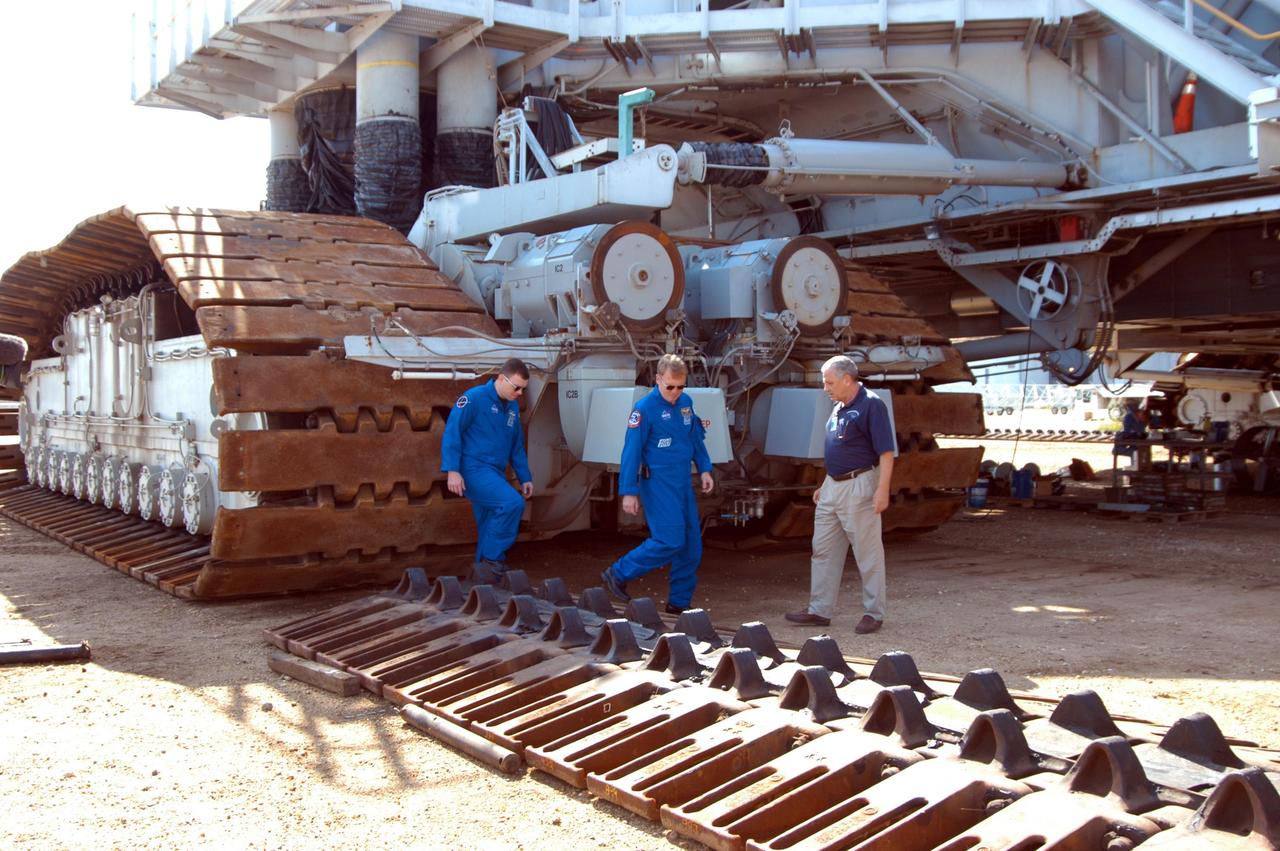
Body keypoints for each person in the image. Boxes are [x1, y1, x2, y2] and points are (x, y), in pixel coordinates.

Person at [786, 355, 895, 634]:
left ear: (848, 379)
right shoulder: (839, 406)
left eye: (829, 382)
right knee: (822, 550)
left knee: (867, 553)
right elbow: (839, 448)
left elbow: (885, 452)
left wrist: (882, 490)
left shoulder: (872, 405)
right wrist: (826, 483)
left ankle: (874, 613)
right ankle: (819, 610)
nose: (826, 388)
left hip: (859, 485)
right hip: (833, 487)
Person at [601, 354, 715, 615]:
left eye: (680, 387)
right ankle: (618, 573)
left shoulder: (686, 403)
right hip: (658, 483)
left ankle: (679, 603)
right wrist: (628, 491)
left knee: (691, 546)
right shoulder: (644, 409)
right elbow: (631, 452)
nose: (675, 392)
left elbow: (696, 439)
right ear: (658, 379)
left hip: (682, 481)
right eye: (670, 386)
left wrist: (705, 468)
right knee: (669, 540)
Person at [441, 358, 535, 584]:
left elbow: (516, 445)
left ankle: (482, 580)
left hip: (495, 472)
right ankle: (493, 559)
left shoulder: (511, 406)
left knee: (488, 523)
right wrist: (452, 470)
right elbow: (452, 433)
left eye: (523, 388)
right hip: (473, 470)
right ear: (502, 379)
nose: (520, 392)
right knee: (511, 503)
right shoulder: (473, 399)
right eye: (517, 387)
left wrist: (525, 477)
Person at [1113, 402, 1151, 469]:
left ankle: (1139, 467)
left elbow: (1142, 430)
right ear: (1139, 413)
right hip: (1123, 438)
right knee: (1134, 452)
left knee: (1142, 450)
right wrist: (1137, 435)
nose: (1145, 420)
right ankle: (1135, 467)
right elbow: (1126, 432)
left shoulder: (1143, 420)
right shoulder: (1128, 417)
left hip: (1135, 440)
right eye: (1143, 416)